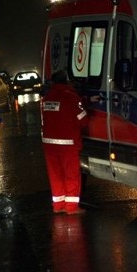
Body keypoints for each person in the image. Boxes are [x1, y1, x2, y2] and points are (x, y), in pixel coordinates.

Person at [40, 70, 89, 215]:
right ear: (67, 81)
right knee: (71, 174)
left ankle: (58, 205)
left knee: (55, 174)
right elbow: (83, 120)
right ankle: (72, 208)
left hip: (49, 143)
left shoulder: (47, 97)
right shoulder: (71, 97)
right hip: (67, 143)